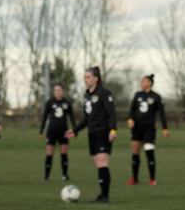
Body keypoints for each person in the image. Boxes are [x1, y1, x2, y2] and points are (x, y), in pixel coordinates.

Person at [66, 67, 117, 203]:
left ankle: (105, 196)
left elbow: (111, 113)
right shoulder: (86, 95)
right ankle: (102, 195)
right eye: (84, 77)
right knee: (98, 163)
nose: (85, 79)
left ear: (96, 78)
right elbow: (86, 118)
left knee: (102, 161)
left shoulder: (104, 93)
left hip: (103, 131)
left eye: (88, 77)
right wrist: (75, 130)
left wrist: (113, 130)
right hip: (92, 132)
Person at [125, 74, 169, 186]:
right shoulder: (137, 95)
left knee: (149, 151)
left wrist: (165, 128)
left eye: (143, 81)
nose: (141, 83)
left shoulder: (156, 97)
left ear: (149, 83)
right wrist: (130, 119)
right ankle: (134, 179)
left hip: (149, 128)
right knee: (135, 153)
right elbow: (132, 109)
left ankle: (152, 179)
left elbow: (162, 113)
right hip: (136, 128)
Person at [39, 83, 75, 181]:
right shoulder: (49, 102)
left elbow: (71, 117)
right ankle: (47, 176)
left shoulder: (67, 103)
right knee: (49, 154)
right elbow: (45, 117)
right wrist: (41, 130)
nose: (57, 92)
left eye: (59, 90)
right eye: (55, 90)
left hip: (64, 131)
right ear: (53, 92)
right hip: (52, 131)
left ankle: (64, 175)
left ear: (63, 91)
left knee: (64, 153)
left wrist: (75, 129)